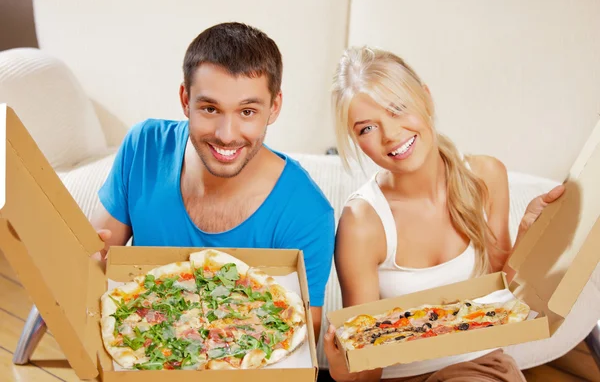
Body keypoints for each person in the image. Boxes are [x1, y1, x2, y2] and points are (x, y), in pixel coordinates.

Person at [322, 46, 565, 381]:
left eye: (397, 109)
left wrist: (527, 234)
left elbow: (504, 301)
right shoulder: (362, 223)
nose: (390, 135)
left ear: (427, 99)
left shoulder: (486, 176)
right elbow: (367, 368)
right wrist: (341, 368)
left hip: (479, 368)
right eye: (367, 128)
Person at [89, 22, 335, 340]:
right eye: (209, 108)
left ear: (274, 107)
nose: (226, 135)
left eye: (247, 111)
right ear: (184, 99)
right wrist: (85, 262)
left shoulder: (308, 214)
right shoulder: (144, 147)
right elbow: (96, 262)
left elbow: (298, 343)